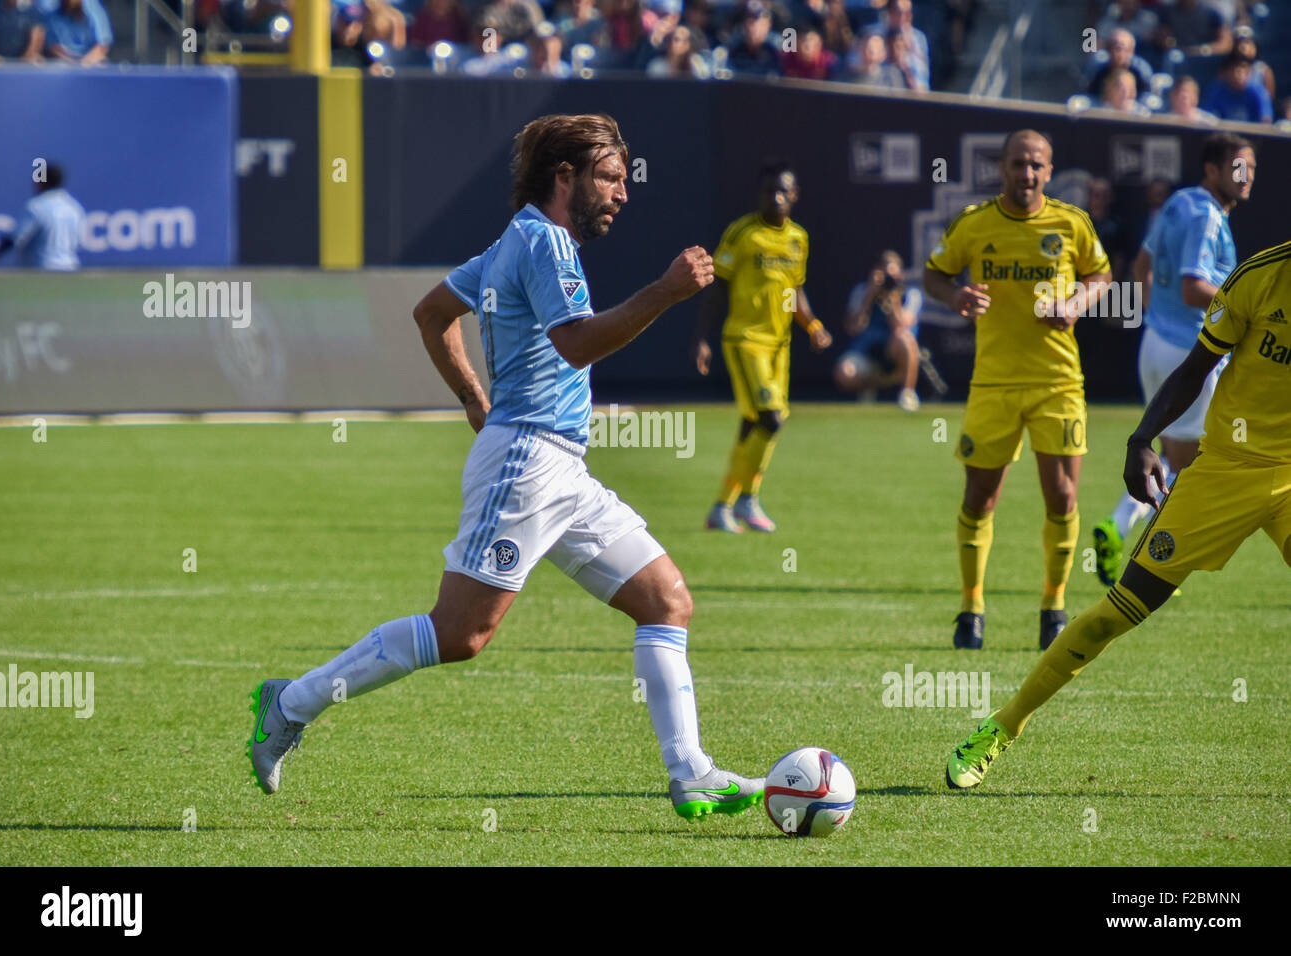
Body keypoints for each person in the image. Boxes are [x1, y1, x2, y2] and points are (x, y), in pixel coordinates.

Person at [248, 114, 766, 821]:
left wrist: (472, 397)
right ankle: (291, 702)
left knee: (666, 601)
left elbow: (432, 314)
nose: (623, 192)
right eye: (610, 176)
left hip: (560, 467)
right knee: (460, 635)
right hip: (528, 461)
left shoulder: (511, 240)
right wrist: (666, 291)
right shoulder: (546, 241)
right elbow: (577, 344)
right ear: (565, 177)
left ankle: (692, 774)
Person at [946, 237, 1291, 789]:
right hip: (1227, 467)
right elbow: (1196, 367)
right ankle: (1001, 727)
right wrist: (1142, 438)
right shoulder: (1261, 276)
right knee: (1118, 612)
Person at [923, 129, 1112, 651]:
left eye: (1036, 165)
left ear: (1049, 172)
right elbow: (933, 274)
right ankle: (971, 608)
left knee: (1063, 495)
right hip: (994, 383)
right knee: (980, 497)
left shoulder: (1070, 223)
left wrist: (1075, 303)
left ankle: (1053, 606)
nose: (1026, 174)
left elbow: (1101, 275)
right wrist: (956, 295)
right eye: (1017, 164)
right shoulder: (975, 224)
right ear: (1001, 168)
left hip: (1058, 381)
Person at [1092, 132, 1255, 585]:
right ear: (1212, 170)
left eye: (1252, 169)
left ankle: (1118, 526)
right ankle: (1155, 564)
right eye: (1238, 167)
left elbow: (1143, 267)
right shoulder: (1205, 216)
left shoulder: (1179, 202)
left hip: (1156, 346)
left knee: (1168, 455)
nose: (1247, 177)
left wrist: (1156, 317)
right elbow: (1191, 286)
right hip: (1192, 356)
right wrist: (1247, 315)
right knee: (1193, 466)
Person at [694, 161, 831, 534]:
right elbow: (718, 284)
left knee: (757, 422)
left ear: (795, 196)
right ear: (759, 194)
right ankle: (744, 499)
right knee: (770, 417)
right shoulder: (743, 233)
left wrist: (812, 325)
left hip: (779, 346)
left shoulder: (798, 238)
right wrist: (703, 338)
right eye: (769, 190)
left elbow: (795, 290)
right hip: (745, 340)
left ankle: (726, 505)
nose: (775, 197)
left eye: (783, 191)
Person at [833, 250, 922, 411]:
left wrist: (892, 300)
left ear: (900, 275)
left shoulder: (911, 294)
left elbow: (902, 326)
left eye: (891, 275)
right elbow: (854, 328)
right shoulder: (862, 291)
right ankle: (873, 385)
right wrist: (870, 296)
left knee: (904, 338)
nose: (887, 280)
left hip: (894, 351)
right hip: (866, 351)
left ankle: (907, 393)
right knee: (844, 374)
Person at [0, 161, 84, 271]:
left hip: (42, 270)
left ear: (42, 182)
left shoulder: (36, 206)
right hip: (70, 268)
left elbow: (18, 239)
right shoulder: (74, 207)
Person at [1201, 51, 1273, 124]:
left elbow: (1266, 119)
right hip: (1223, 133)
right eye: (1236, 69)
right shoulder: (1216, 89)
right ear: (1226, 72)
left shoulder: (1258, 91)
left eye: (1244, 69)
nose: (1240, 74)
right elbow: (1207, 117)